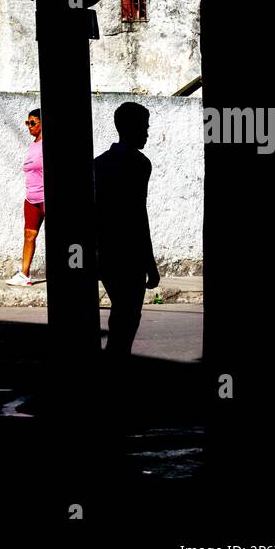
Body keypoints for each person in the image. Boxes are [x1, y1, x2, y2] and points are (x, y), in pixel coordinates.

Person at [94, 101, 160, 360]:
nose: (146, 133)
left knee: (121, 315)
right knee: (128, 316)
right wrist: (150, 263)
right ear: (130, 129)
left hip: (107, 249)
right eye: (143, 127)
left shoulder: (99, 164)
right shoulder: (140, 164)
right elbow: (137, 215)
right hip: (129, 252)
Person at [7, 108, 44, 286]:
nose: (29, 126)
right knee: (29, 235)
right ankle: (24, 274)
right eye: (27, 123)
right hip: (31, 198)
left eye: (33, 123)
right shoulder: (33, 145)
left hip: (46, 197)